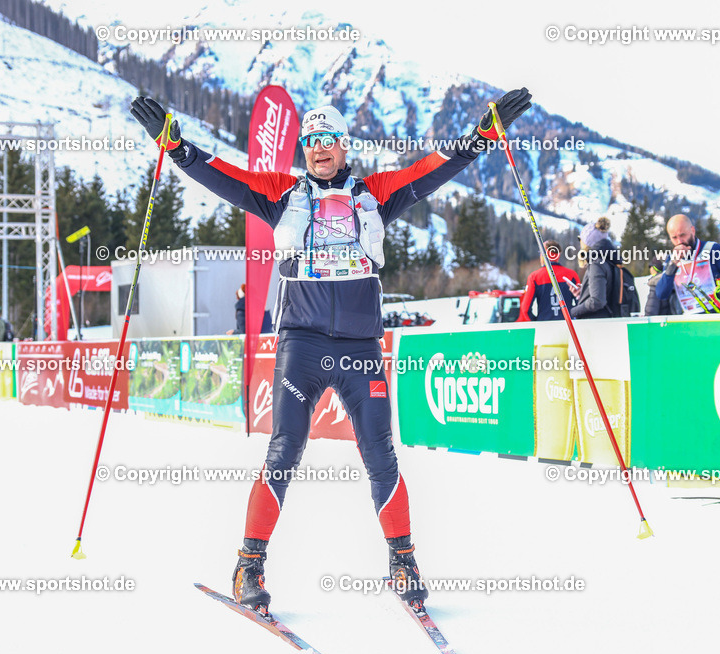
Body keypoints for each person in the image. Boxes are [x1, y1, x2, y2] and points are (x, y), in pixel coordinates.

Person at [131, 87, 532, 611]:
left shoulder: (377, 193)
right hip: (302, 342)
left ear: (345, 146)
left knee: (380, 454)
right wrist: (178, 148)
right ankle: (248, 565)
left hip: (361, 347)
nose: (319, 149)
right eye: (310, 141)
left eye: (329, 140)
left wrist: (480, 137)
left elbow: (433, 168)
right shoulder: (280, 193)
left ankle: (403, 559)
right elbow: (226, 177)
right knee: (284, 451)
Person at [655, 214, 720, 314]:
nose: (679, 241)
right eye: (674, 237)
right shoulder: (671, 259)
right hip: (687, 323)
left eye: (682, 235)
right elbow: (661, 294)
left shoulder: (713, 250)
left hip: (716, 320)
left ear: (692, 231)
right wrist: (672, 266)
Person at [519, 240, 579, 321]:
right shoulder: (572, 275)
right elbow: (581, 303)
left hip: (544, 326)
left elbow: (525, 309)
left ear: (543, 255)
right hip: (567, 325)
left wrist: (536, 322)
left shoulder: (534, 277)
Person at [569, 219, 618, 319]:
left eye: (580, 240)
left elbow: (597, 301)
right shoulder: (609, 261)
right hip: (607, 321)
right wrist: (582, 294)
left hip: (596, 325)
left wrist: (573, 311)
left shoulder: (597, 264)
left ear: (587, 244)